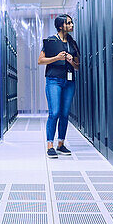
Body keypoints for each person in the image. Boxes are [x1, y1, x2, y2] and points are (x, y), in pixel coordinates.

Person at [38, 14, 80, 159]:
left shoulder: (73, 43)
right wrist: (57, 58)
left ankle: (61, 144)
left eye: (71, 23)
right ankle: (50, 145)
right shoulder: (50, 41)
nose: (72, 25)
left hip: (69, 82)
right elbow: (40, 61)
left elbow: (78, 66)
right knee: (54, 112)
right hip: (53, 80)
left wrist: (70, 60)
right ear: (61, 26)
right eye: (69, 23)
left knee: (64, 113)